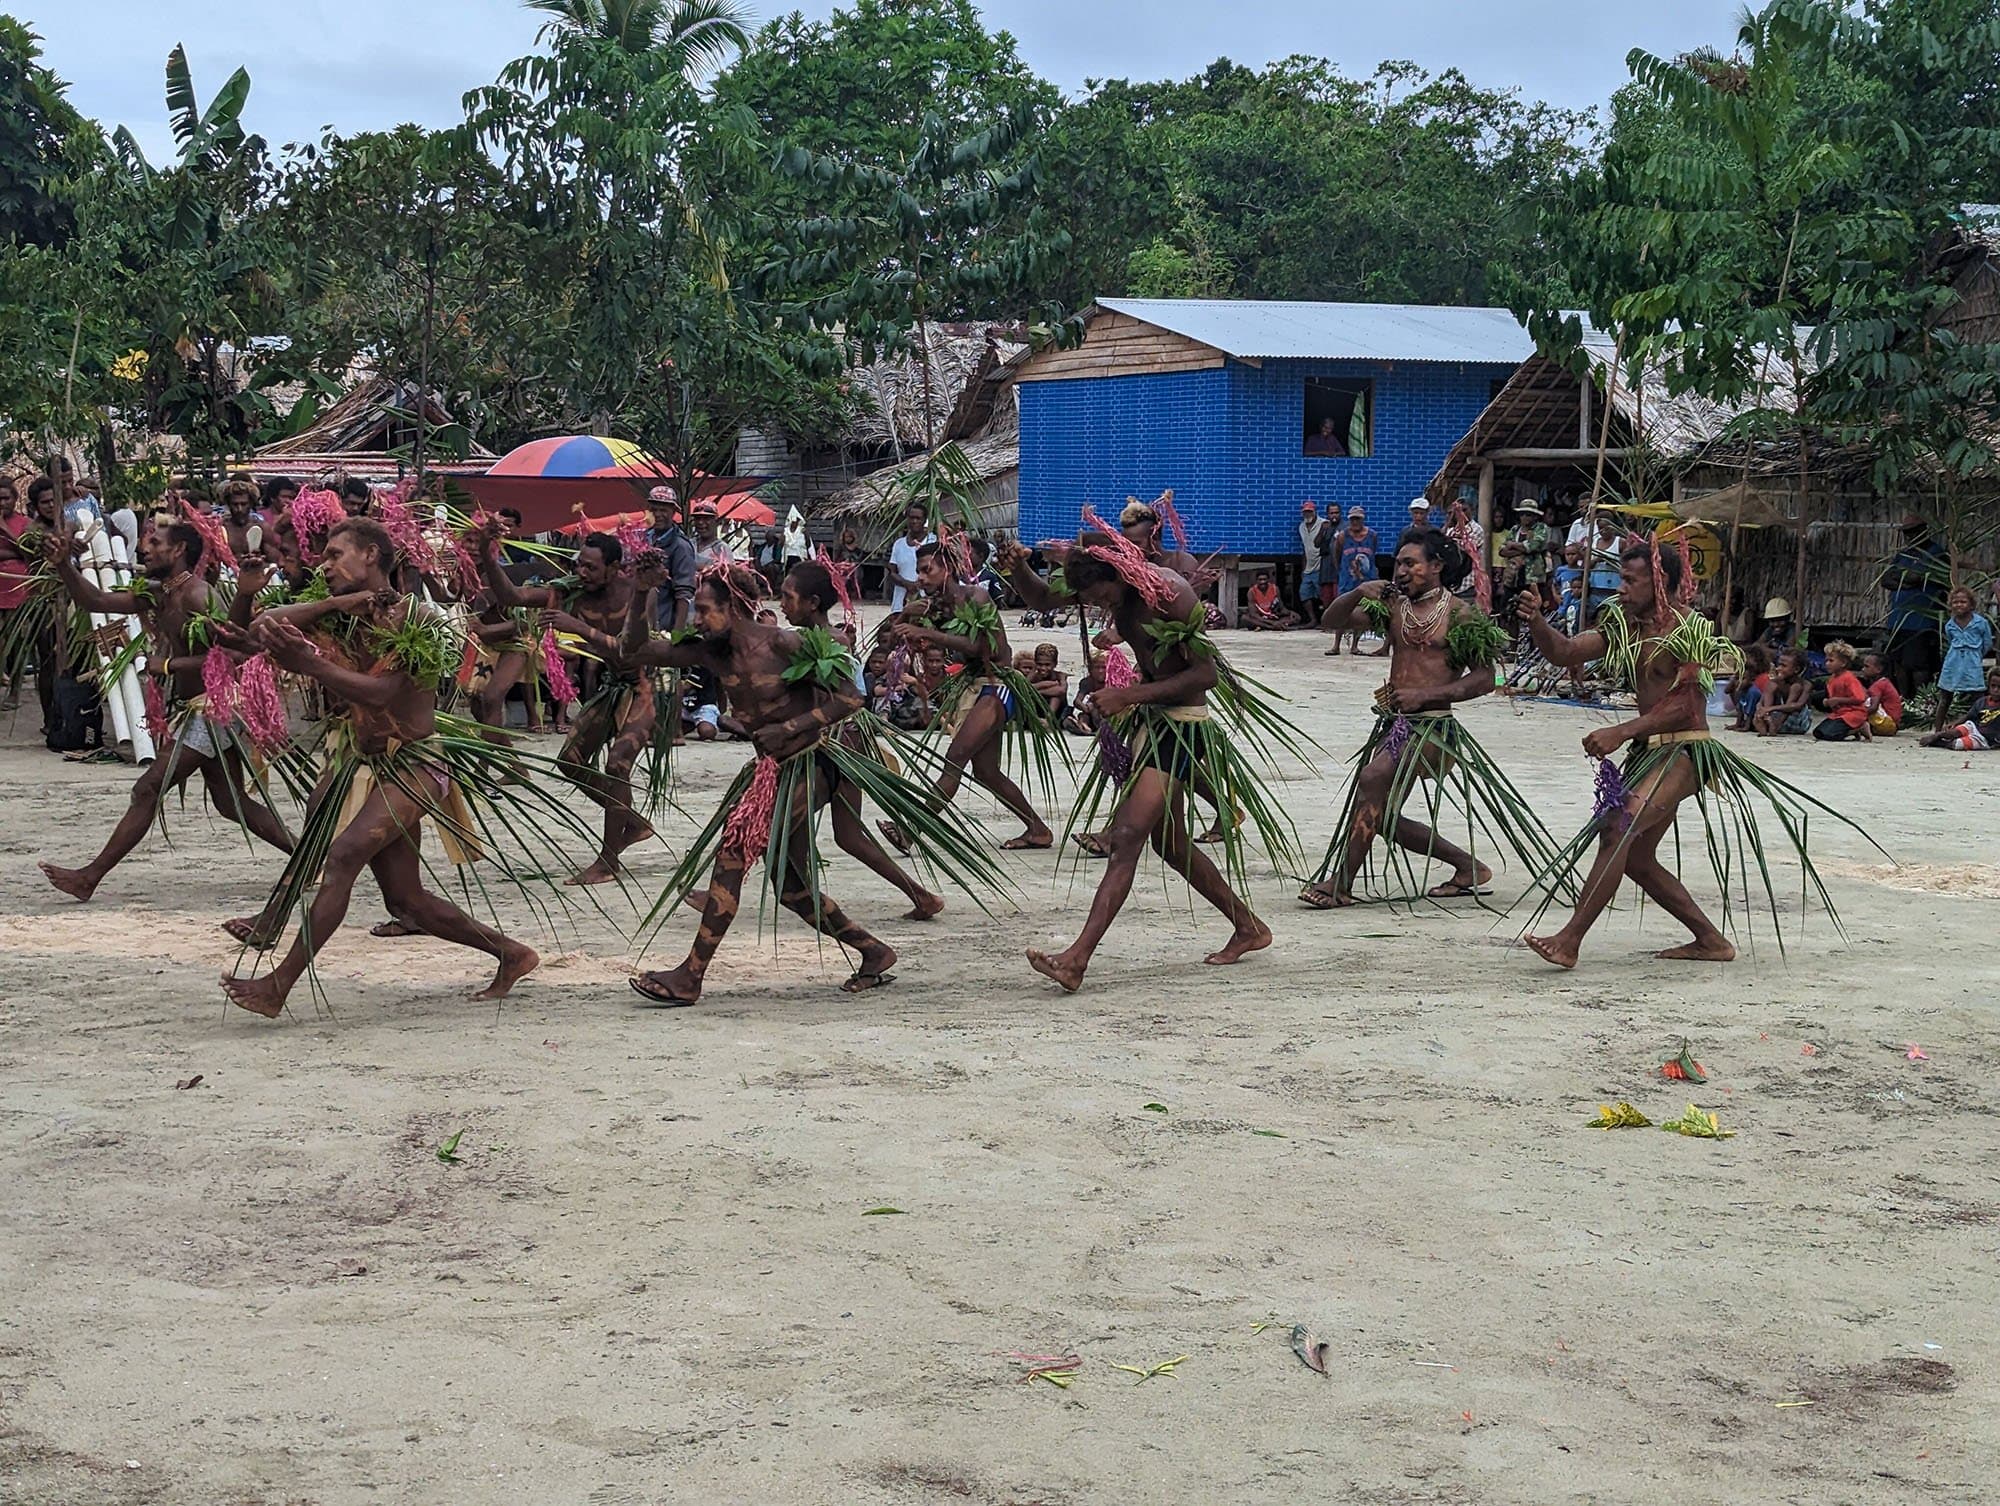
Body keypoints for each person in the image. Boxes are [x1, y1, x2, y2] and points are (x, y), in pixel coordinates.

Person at [622, 564, 1003, 1005]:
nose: (696, 620)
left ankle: (691, 975)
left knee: (733, 853)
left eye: (704, 610)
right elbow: (634, 651)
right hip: (770, 771)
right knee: (790, 888)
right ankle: (873, 950)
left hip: (810, 764)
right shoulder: (710, 652)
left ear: (732, 607)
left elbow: (850, 697)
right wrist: (640, 594)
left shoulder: (787, 644)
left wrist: (791, 728)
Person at [217, 518, 555, 1016]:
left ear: (372, 555)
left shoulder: (421, 619)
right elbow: (259, 631)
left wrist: (310, 664)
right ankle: (511, 953)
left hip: (417, 765)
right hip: (361, 758)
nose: (324, 565)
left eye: (335, 555)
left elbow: (382, 692)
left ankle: (278, 985)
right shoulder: (338, 611)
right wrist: (325, 603)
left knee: (343, 857)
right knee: (406, 901)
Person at [1518, 538, 1873, 968]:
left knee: (1618, 828)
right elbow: (1565, 652)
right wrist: (1536, 620)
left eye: (1630, 581)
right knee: (1638, 860)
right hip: (1649, 752)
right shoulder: (1625, 626)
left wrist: (1623, 729)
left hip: (1685, 751)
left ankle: (1570, 939)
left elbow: (1686, 705)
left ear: (1660, 582)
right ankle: (1710, 941)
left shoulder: (1690, 630)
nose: (1621, 590)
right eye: (1620, 581)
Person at [1025, 531, 1287, 992]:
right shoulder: (1110, 591)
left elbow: (1204, 674)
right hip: (1154, 720)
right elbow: (1043, 598)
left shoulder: (1169, 596)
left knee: (1127, 836)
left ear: (1118, 576)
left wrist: (1129, 694)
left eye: (1103, 596)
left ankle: (1076, 959)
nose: (1102, 606)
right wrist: (1015, 568)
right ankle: (1248, 927)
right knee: (1170, 842)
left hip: (1183, 723)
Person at [37, 517, 295, 903]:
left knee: (148, 788)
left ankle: (89, 877)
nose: (145, 548)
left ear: (178, 551)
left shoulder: (198, 595)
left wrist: (170, 666)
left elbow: (233, 653)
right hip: (199, 709)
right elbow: (97, 601)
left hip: (217, 707)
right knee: (230, 802)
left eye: (155, 542)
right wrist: (63, 566)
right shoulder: (159, 592)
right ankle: (308, 857)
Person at [1301, 528, 1558, 908]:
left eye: (1411, 563)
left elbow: (1487, 678)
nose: (1401, 571)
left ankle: (1342, 883)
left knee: (1371, 778)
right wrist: (1358, 591)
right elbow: (1331, 620)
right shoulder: (1393, 607)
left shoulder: (1460, 613)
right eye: (1399, 564)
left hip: (1435, 729)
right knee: (1383, 817)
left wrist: (1426, 695)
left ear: (1435, 566)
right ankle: (1467, 867)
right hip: (1397, 726)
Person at [478, 521, 656, 885]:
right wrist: (486, 555)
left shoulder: (638, 593)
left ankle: (608, 861)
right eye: (579, 565)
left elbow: (632, 650)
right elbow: (512, 597)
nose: (582, 573)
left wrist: (580, 629)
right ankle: (632, 823)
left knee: (618, 763)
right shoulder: (569, 592)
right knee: (570, 763)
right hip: (611, 687)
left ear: (613, 566)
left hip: (646, 689)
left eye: (591, 567)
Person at [880, 542, 1055, 852]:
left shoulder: (977, 597)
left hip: (997, 684)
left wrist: (929, 633)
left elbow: (985, 648)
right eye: (918, 571)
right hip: (973, 686)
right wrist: (907, 615)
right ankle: (1038, 829)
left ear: (946, 568)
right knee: (986, 772)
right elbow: (896, 635)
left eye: (927, 570)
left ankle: (910, 829)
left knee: (955, 758)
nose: (920, 577)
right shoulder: (934, 607)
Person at [1881, 513, 1948, 697]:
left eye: (1913, 532)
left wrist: (1906, 579)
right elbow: (1886, 579)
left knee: (1919, 663)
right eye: (1907, 533)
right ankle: (1905, 700)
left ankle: (1922, 702)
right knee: (1899, 663)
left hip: (1922, 620)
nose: (1909, 536)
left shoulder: (1936, 553)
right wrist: (1908, 581)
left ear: (1923, 531)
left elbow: (1920, 577)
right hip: (1898, 620)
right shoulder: (1903, 554)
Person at [1934, 585, 1994, 733]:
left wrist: (1976, 655)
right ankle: (1937, 729)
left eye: (1963, 602)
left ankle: (1981, 729)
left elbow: (1987, 643)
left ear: (1971, 605)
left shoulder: (1980, 623)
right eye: (1955, 602)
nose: (1959, 605)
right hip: (1953, 662)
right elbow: (1950, 640)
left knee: (1977, 696)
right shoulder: (1950, 625)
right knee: (1945, 696)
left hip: (1972, 662)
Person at [1330, 506, 1383, 658]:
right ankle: (1336, 645)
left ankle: (1355, 645)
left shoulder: (1372, 535)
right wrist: (1341, 571)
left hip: (1366, 581)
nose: (1355, 522)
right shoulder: (1342, 536)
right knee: (1342, 610)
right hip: (1347, 580)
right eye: (1352, 519)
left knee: (1362, 612)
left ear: (1363, 519)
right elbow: (1337, 555)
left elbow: (1373, 554)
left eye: (1358, 519)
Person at [0, 474, 31, 708]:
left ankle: (15, 692)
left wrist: (4, 530)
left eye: (6, 498)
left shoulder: (24, 524)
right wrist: (14, 553)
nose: (2, 503)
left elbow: (30, 553)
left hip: (17, 591)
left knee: (17, 645)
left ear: (15, 499)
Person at [1921, 665, 2000, 750]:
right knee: (1960, 729)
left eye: (1999, 687)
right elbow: (1968, 716)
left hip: (1986, 739)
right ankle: (1938, 735)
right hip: (1975, 728)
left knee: (1959, 744)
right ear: (1988, 685)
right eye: (1993, 686)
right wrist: (1955, 723)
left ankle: (1941, 743)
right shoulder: (1982, 702)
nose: (1996, 690)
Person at [1811, 641, 1871, 741]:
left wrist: (1838, 700)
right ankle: (1852, 729)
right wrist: (1828, 702)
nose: (1827, 664)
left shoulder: (1849, 678)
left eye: (1831, 661)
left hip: (1853, 713)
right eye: (1826, 661)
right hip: (1839, 713)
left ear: (1843, 663)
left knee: (1830, 735)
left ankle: (1859, 727)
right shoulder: (1832, 679)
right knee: (1818, 733)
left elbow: (1860, 698)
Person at [1498, 501, 1551, 608]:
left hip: (1532, 577)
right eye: (1522, 514)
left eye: (1528, 514)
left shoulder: (1541, 528)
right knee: (1507, 606)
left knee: (1532, 606)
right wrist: (1524, 549)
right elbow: (1502, 550)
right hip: (1513, 576)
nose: (1524, 517)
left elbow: (1535, 545)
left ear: (1535, 516)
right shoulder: (1515, 529)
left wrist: (1513, 545)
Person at [886, 502, 933, 613]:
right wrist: (907, 584)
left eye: (918, 518)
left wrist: (920, 585)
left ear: (924, 520)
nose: (914, 521)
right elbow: (892, 572)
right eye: (911, 518)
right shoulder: (899, 544)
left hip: (925, 604)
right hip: (900, 604)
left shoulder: (932, 541)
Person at [1754, 649, 1813, 735]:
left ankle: (1774, 725)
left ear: (1796, 669)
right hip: (1775, 717)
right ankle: (1767, 719)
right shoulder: (1776, 682)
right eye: (1779, 665)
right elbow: (1761, 700)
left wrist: (1770, 709)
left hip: (1797, 721)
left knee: (1795, 688)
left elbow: (1798, 705)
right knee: (1771, 684)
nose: (1778, 668)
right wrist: (1761, 709)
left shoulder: (1806, 684)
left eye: (1783, 666)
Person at [1725, 643, 1773, 732]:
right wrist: (1735, 677)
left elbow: (1759, 700)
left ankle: (1748, 723)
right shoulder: (1743, 674)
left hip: (1759, 710)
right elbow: (1727, 690)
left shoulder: (1763, 678)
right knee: (1739, 692)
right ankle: (1740, 722)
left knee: (1752, 693)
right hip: (1746, 704)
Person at [217, 478, 266, 564]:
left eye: (244, 504)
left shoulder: (262, 527)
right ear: (228, 504)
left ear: (251, 503)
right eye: (235, 504)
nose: (239, 509)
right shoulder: (220, 528)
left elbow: (276, 561)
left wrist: (259, 560)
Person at [1297, 501, 1330, 621]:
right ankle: (1313, 619)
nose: (1307, 514)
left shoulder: (1324, 524)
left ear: (1315, 512)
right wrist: (1303, 569)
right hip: (1308, 567)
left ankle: (1326, 620)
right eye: (1305, 512)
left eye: (1310, 511)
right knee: (1304, 593)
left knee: (1323, 595)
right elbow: (1305, 548)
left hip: (1320, 565)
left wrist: (1322, 530)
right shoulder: (1301, 527)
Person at [1860, 650, 1903, 736]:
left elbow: (1873, 708)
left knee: (1863, 697)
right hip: (1892, 725)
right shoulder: (1884, 682)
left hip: (1887, 724)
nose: (1863, 669)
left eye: (1866, 666)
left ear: (1879, 669)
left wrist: (1857, 714)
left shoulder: (1878, 685)